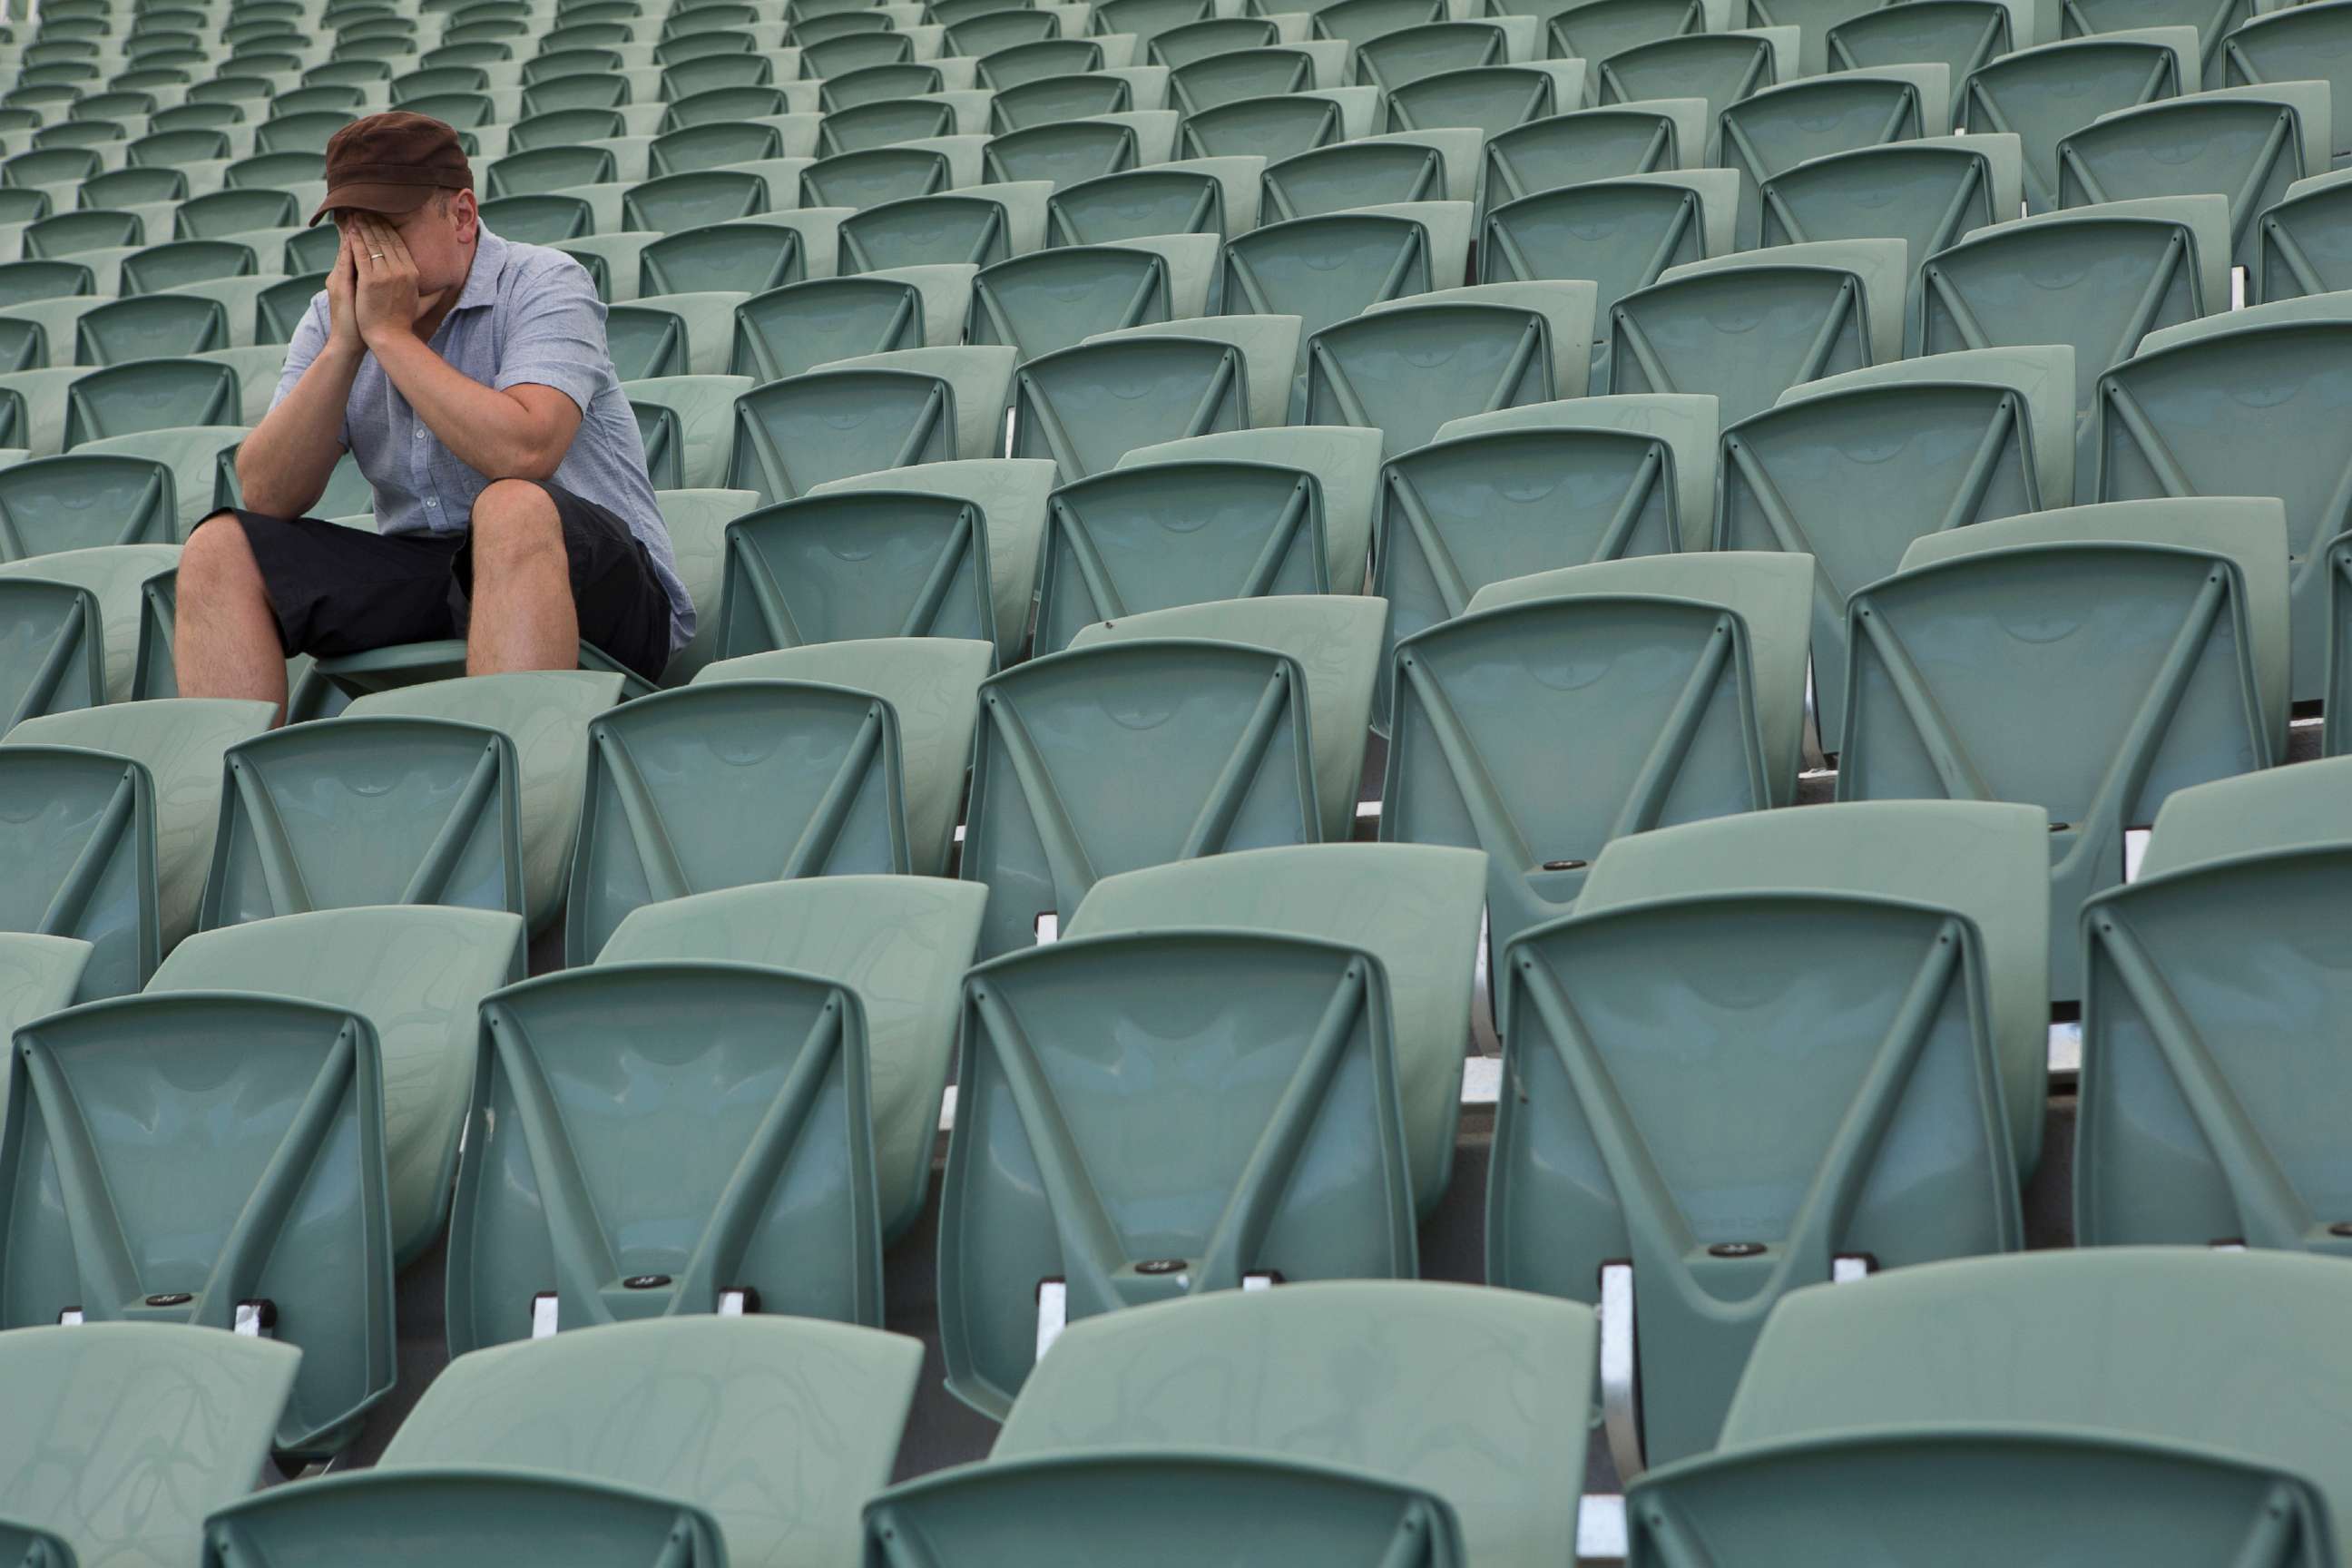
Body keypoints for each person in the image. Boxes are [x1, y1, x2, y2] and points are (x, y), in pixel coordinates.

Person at [176, 112, 691, 720]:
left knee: (510, 505)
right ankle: (231, 798)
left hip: (595, 582)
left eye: (390, 229)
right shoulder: (331, 318)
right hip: (432, 572)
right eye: (354, 234)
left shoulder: (545, 282)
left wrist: (392, 338)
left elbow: (526, 453)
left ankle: (522, 787)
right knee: (220, 547)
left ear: (463, 216)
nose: (373, 258)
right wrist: (347, 345)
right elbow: (267, 493)